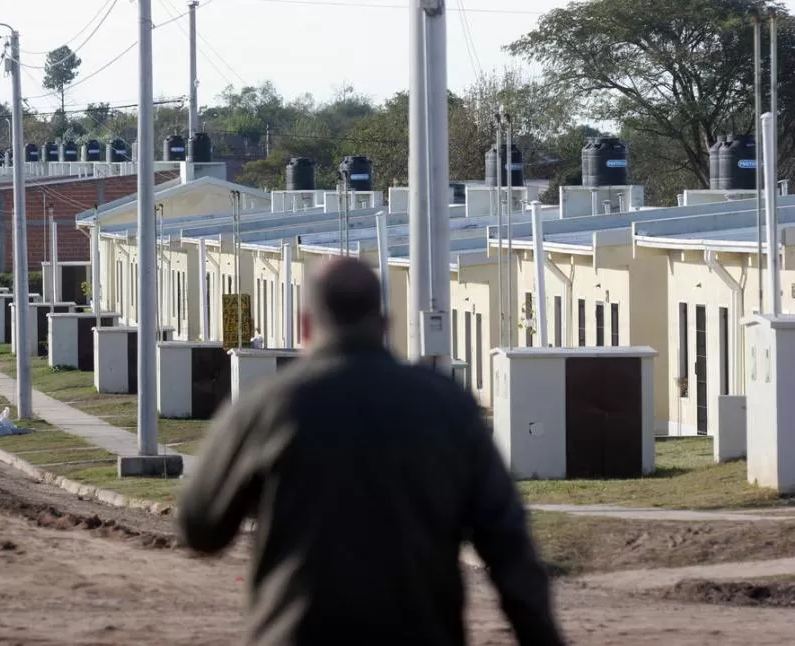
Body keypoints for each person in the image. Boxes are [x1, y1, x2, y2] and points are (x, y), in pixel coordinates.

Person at [178, 256, 565, 646]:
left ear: (305, 326)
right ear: (384, 326)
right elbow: (506, 542)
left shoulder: (265, 407)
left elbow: (200, 528)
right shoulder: (447, 406)